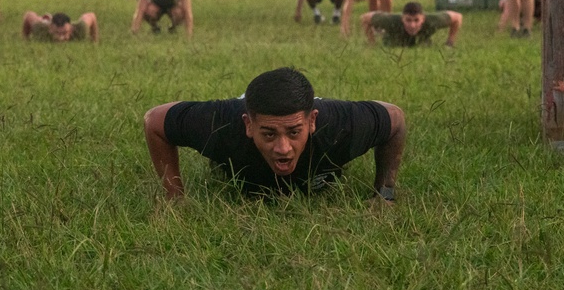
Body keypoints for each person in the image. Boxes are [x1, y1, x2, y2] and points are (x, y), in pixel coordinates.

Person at [143, 67, 406, 200]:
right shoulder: (222, 126)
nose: (283, 148)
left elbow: (395, 118)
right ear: (248, 125)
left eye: (294, 132)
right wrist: (174, 197)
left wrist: (385, 194)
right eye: (269, 134)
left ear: (312, 121)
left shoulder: (339, 126)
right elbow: (154, 121)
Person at [361, 1, 463, 48]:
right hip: (392, 45)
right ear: (402, 18)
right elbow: (365, 18)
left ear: (422, 19)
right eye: (408, 20)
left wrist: (450, 42)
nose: (412, 25)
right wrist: (372, 43)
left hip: (422, 44)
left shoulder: (432, 20)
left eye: (416, 20)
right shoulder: (390, 20)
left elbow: (457, 17)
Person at [22, 11, 99, 42]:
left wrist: (94, 40)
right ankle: (47, 18)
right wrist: (26, 38)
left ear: (71, 29)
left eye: (65, 33)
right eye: (57, 33)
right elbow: (29, 15)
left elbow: (91, 16)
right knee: (42, 20)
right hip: (46, 22)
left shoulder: (81, 29)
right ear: (50, 29)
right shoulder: (40, 29)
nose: (61, 38)